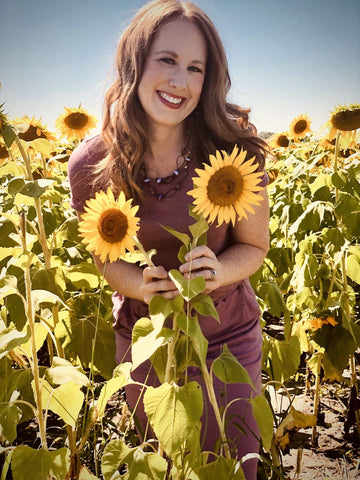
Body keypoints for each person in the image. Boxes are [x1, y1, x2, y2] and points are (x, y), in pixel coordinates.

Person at [68, 1, 269, 478]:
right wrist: (138, 285)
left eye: (195, 67)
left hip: (225, 334)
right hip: (147, 336)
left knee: (233, 464)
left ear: (209, 79)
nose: (180, 80)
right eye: (167, 60)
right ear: (134, 63)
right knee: (156, 461)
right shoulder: (91, 165)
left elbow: (254, 247)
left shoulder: (233, 152)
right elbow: (106, 258)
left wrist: (219, 270)